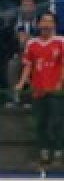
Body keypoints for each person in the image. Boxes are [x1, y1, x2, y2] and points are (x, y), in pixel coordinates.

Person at [16, 13, 64, 166]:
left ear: (54, 24)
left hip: (56, 90)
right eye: (43, 20)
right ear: (38, 24)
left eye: (49, 21)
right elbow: (28, 65)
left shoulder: (61, 41)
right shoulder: (32, 43)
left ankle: (58, 153)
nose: (46, 24)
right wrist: (21, 83)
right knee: (40, 123)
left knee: (56, 122)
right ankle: (43, 154)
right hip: (38, 89)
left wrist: (60, 82)